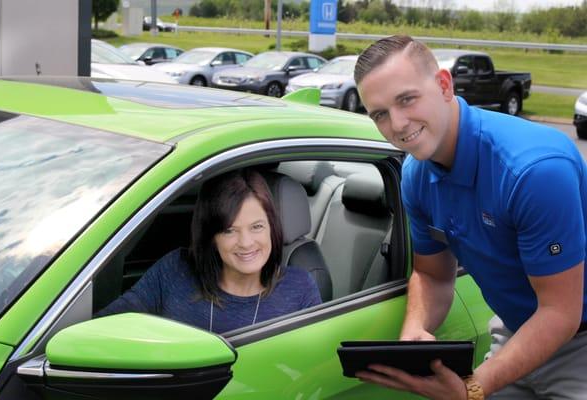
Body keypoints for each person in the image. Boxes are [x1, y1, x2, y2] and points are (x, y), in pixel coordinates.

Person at [353, 35, 587, 400]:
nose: (397, 124)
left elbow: (559, 312)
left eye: (407, 99)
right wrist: (415, 329)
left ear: (444, 85)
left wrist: (473, 389)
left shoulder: (534, 171)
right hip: (516, 332)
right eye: (380, 114)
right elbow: (432, 275)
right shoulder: (415, 175)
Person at [98, 168, 322, 333]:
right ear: (211, 236)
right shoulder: (175, 270)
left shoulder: (299, 288)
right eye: (229, 230)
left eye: (257, 227)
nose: (245, 242)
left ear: (272, 227)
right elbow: (106, 327)